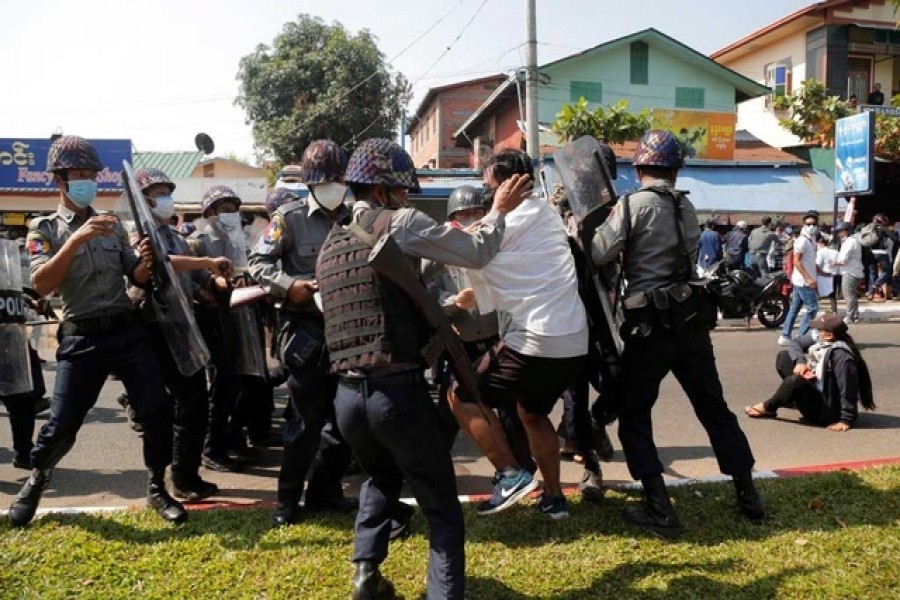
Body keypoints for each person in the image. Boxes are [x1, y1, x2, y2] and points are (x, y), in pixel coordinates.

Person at [316, 138, 528, 599]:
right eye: (403, 191)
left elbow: (388, 308)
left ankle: (366, 573)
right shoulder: (401, 222)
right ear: (387, 190)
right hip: (399, 395)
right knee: (441, 510)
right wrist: (499, 210)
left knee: (382, 477)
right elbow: (476, 252)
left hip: (348, 400)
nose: (407, 199)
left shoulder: (330, 244)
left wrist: (444, 312)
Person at [591, 129, 765, 539]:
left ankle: (659, 507)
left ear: (639, 168)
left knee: (635, 415)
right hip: (690, 321)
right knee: (713, 409)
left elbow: (600, 252)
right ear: (676, 167)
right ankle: (749, 497)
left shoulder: (631, 206)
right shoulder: (686, 206)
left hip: (649, 326)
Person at [8, 136, 186, 527]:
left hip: (126, 330)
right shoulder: (44, 229)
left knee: (158, 408)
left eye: (91, 174)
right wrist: (75, 240)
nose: (87, 180)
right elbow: (39, 284)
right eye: (79, 174)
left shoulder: (113, 225)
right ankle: (38, 478)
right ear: (60, 180)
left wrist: (146, 259)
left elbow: (134, 274)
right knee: (62, 424)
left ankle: (157, 486)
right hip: (81, 336)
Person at [447, 150, 589, 521]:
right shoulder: (547, 215)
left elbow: (473, 253)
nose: (485, 197)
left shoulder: (508, 221)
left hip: (536, 340)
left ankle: (510, 475)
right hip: (573, 343)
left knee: (461, 395)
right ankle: (555, 499)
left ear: (508, 186)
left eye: (488, 187)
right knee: (533, 412)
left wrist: (496, 211)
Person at [248, 140, 359, 527]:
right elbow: (257, 263)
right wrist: (288, 285)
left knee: (346, 421)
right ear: (311, 183)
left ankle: (326, 493)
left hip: (349, 332)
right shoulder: (288, 218)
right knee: (304, 423)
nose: (334, 185)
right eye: (326, 179)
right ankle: (287, 501)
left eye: (339, 178)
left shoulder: (356, 217)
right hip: (306, 333)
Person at [133, 168, 233, 501]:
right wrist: (205, 261)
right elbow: (162, 264)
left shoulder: (175, 236)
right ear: (143, 200)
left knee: (194, 403)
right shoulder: (137, 236)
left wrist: (212, 280)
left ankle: (185, 476)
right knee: (159, 410)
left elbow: (193, 275)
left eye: (167, 192)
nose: (165, 199)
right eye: (157, 193)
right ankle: (157, 482)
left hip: (180, 328)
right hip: (150, 330)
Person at [426, 185, 535, 477]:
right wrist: (453, 303)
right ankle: (435, 467)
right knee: (451, 407)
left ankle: (522, 466)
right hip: (461, 345)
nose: (471, 219)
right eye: (464, 215)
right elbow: (428, 297)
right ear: (453, 219)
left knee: (509, 408)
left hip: (497, 341)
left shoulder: (494, 245)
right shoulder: (439, 252)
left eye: (477, 213)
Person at [188, 186, 252, 472]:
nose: (230, 215)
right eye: (224, 209)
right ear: (210, 213)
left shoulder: (238, 241)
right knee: (221, 383)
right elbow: (183, 278)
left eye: (233, 209)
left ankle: (232, 439)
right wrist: (203, 291)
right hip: (210, 318)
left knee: (237, 380)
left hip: (236, 313)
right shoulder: (196, 242)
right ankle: (212, 448)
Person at [744, 314, 874, 430]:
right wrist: (801, 362)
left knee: (794, 381)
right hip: (817, 390)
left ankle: (769, 407)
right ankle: (791, 397)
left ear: (829, 335)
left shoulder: (842, 357)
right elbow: (795, 343)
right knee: (784, 357)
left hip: (827, 413)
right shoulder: (823, 344)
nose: (815, 333)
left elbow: (847, 389)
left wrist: (846, 420)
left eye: (819, 330)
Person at [778, 210, 820, 346]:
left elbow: (810, 261)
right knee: (812, 308)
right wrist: (809, 278)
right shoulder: (802, 241)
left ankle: (785, 335)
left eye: (813, 223)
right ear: (804, 224)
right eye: (808, 224)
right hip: (803, 281)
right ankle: (801, 337)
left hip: (800, 280)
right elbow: (797, 261)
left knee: (794, 308)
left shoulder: (811, 239)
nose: (811, 226)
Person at [832, 221, 864, 324]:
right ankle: (854, 315)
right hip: (854, 271)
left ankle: (850, 316)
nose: (839, 234)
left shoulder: (849, 242)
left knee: (848, 295)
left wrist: (835, 262)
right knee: (852, 295)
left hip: (849, 271)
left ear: (846, 231)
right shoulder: (853, 240)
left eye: (840, 231)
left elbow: (843, 259)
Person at [815, 234, 839, 315]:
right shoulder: (835, 252)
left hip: (823, 276)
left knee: (818, 294)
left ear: (820, 243)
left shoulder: (820, 252)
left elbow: (817, 265)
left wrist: (822, 273)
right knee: (832, 296)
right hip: (834, 275)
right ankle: (834, 311)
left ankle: (815, 310)